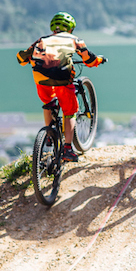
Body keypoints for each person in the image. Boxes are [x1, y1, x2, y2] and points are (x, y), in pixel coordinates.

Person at [17, 11, 105, 163]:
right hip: (62, 77)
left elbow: (21, 58)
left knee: (48, 103)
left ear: (53, 28)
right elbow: (89, 60)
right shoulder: (75, 40)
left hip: (40, 77)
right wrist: (99, 60)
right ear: (71, 28)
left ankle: (50, 136)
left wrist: (27, 59)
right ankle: (68, 149)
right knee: (69, 111)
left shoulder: (42, 40)